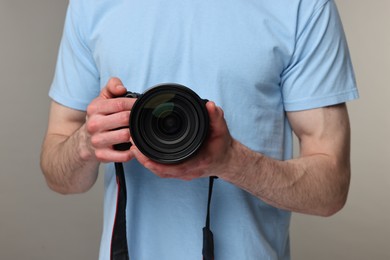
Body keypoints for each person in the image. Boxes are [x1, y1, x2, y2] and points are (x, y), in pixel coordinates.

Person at [40, 0, 359, 259]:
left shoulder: (303, 6)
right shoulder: (90, 5)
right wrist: (85, 143)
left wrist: (231, 161)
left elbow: (330, 190)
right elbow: (59, 175)